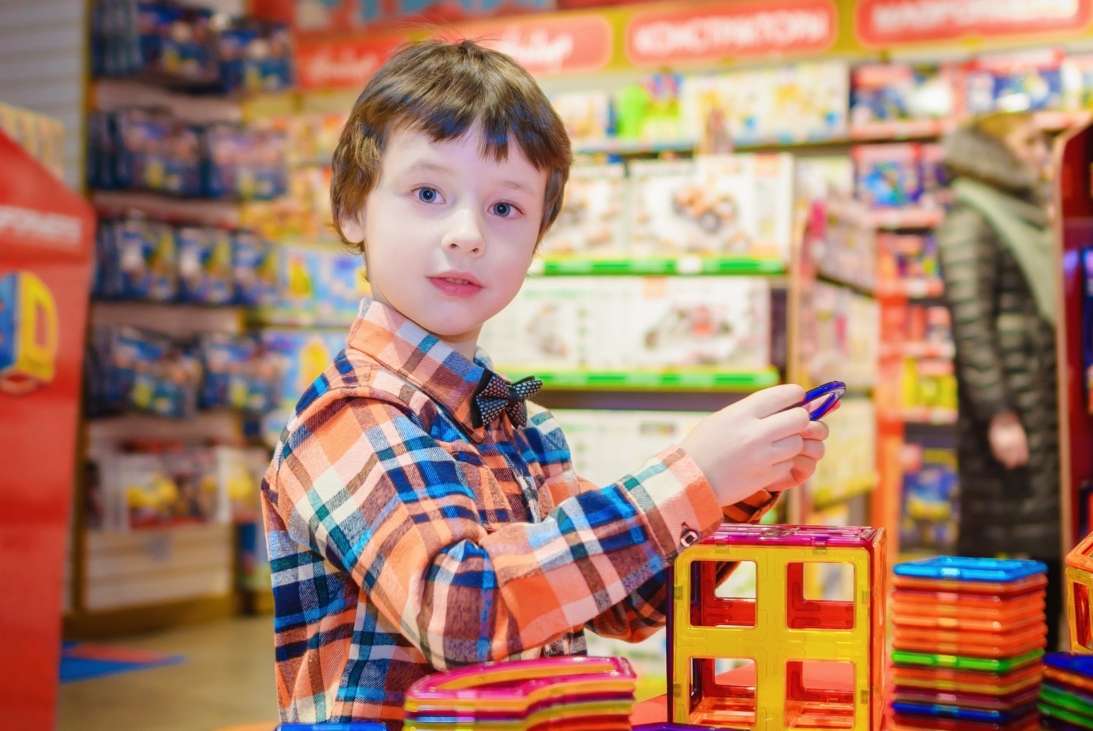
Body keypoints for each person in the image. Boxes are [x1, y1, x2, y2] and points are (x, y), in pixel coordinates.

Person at [260, 39, 830, 727]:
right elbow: (462, 610)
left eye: (505, 208)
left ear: (537, 239)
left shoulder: (516, 419)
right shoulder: (350, 413)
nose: (467, 233)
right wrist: (691, 475)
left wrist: (732, 486)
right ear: (353, 207)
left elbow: (626, 602)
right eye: (428, 193)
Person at [934, 112, 1062, 647]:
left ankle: (1039, 660)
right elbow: (972, 326)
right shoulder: (973, 219)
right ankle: (988, 664)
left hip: (1038, 405)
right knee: (1001, 545)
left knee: (1043, 539)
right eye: (1028, 141)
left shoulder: (1021, 213)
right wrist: (1000, 414)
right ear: (994, 150)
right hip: (1013, 413)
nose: (1041, 153)